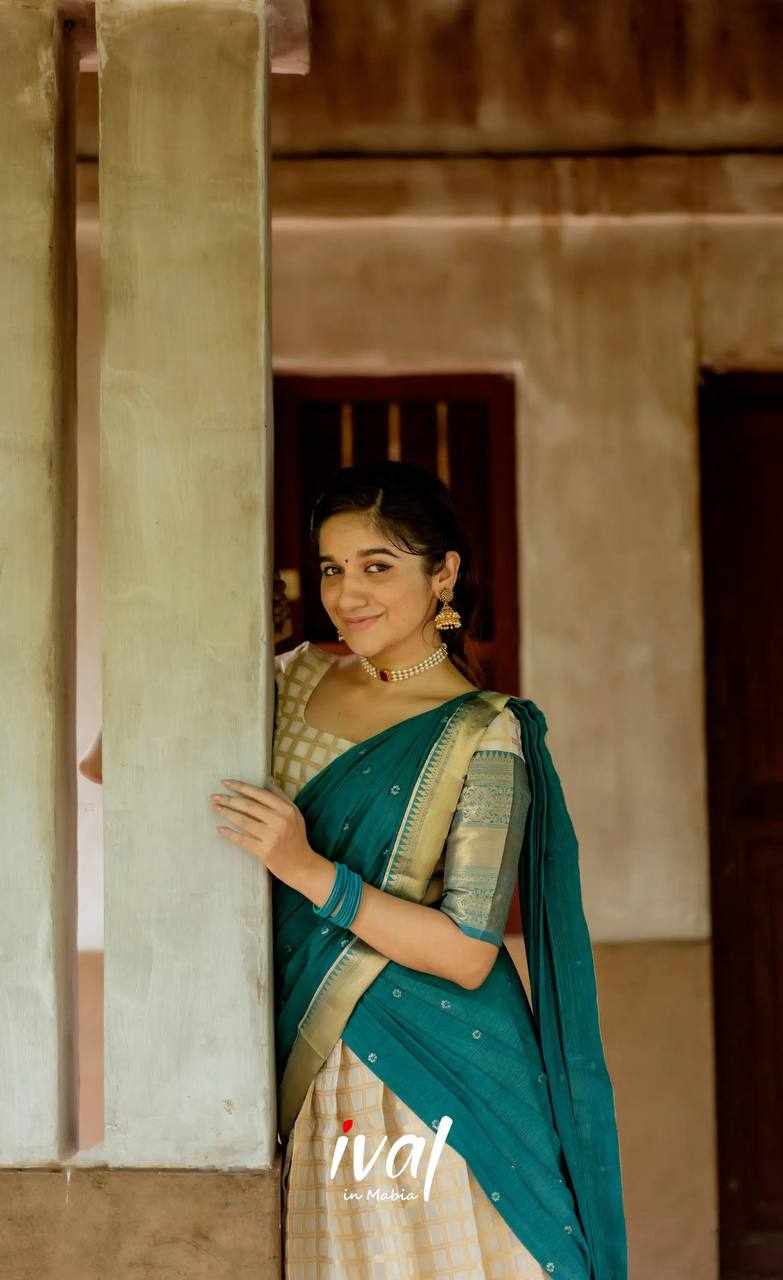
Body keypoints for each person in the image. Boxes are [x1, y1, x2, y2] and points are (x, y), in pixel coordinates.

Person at [80, 460, 627, 1279]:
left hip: (435, 1074)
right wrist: (219, 640)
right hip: (315, 1053)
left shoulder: (482, 732)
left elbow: (466, 952)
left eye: (378, 567)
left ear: (443, 574)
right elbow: (110, 764)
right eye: (332, 569)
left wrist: (307, 870)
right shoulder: (292, 674)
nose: (348, 594)